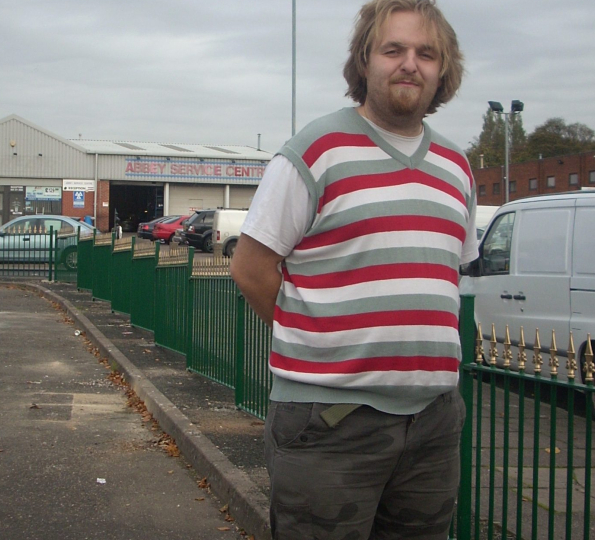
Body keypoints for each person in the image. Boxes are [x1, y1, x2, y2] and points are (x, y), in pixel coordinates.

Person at [230, 1, 478, 538]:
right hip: (330, 423)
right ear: (364, 61)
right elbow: (250, 268)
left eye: (426, 53)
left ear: (443, 70)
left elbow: (447, 280)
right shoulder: (314, 152)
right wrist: (318, 338)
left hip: (434, 423)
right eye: (393, 49)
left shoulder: (457, 168)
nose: (410, 64)